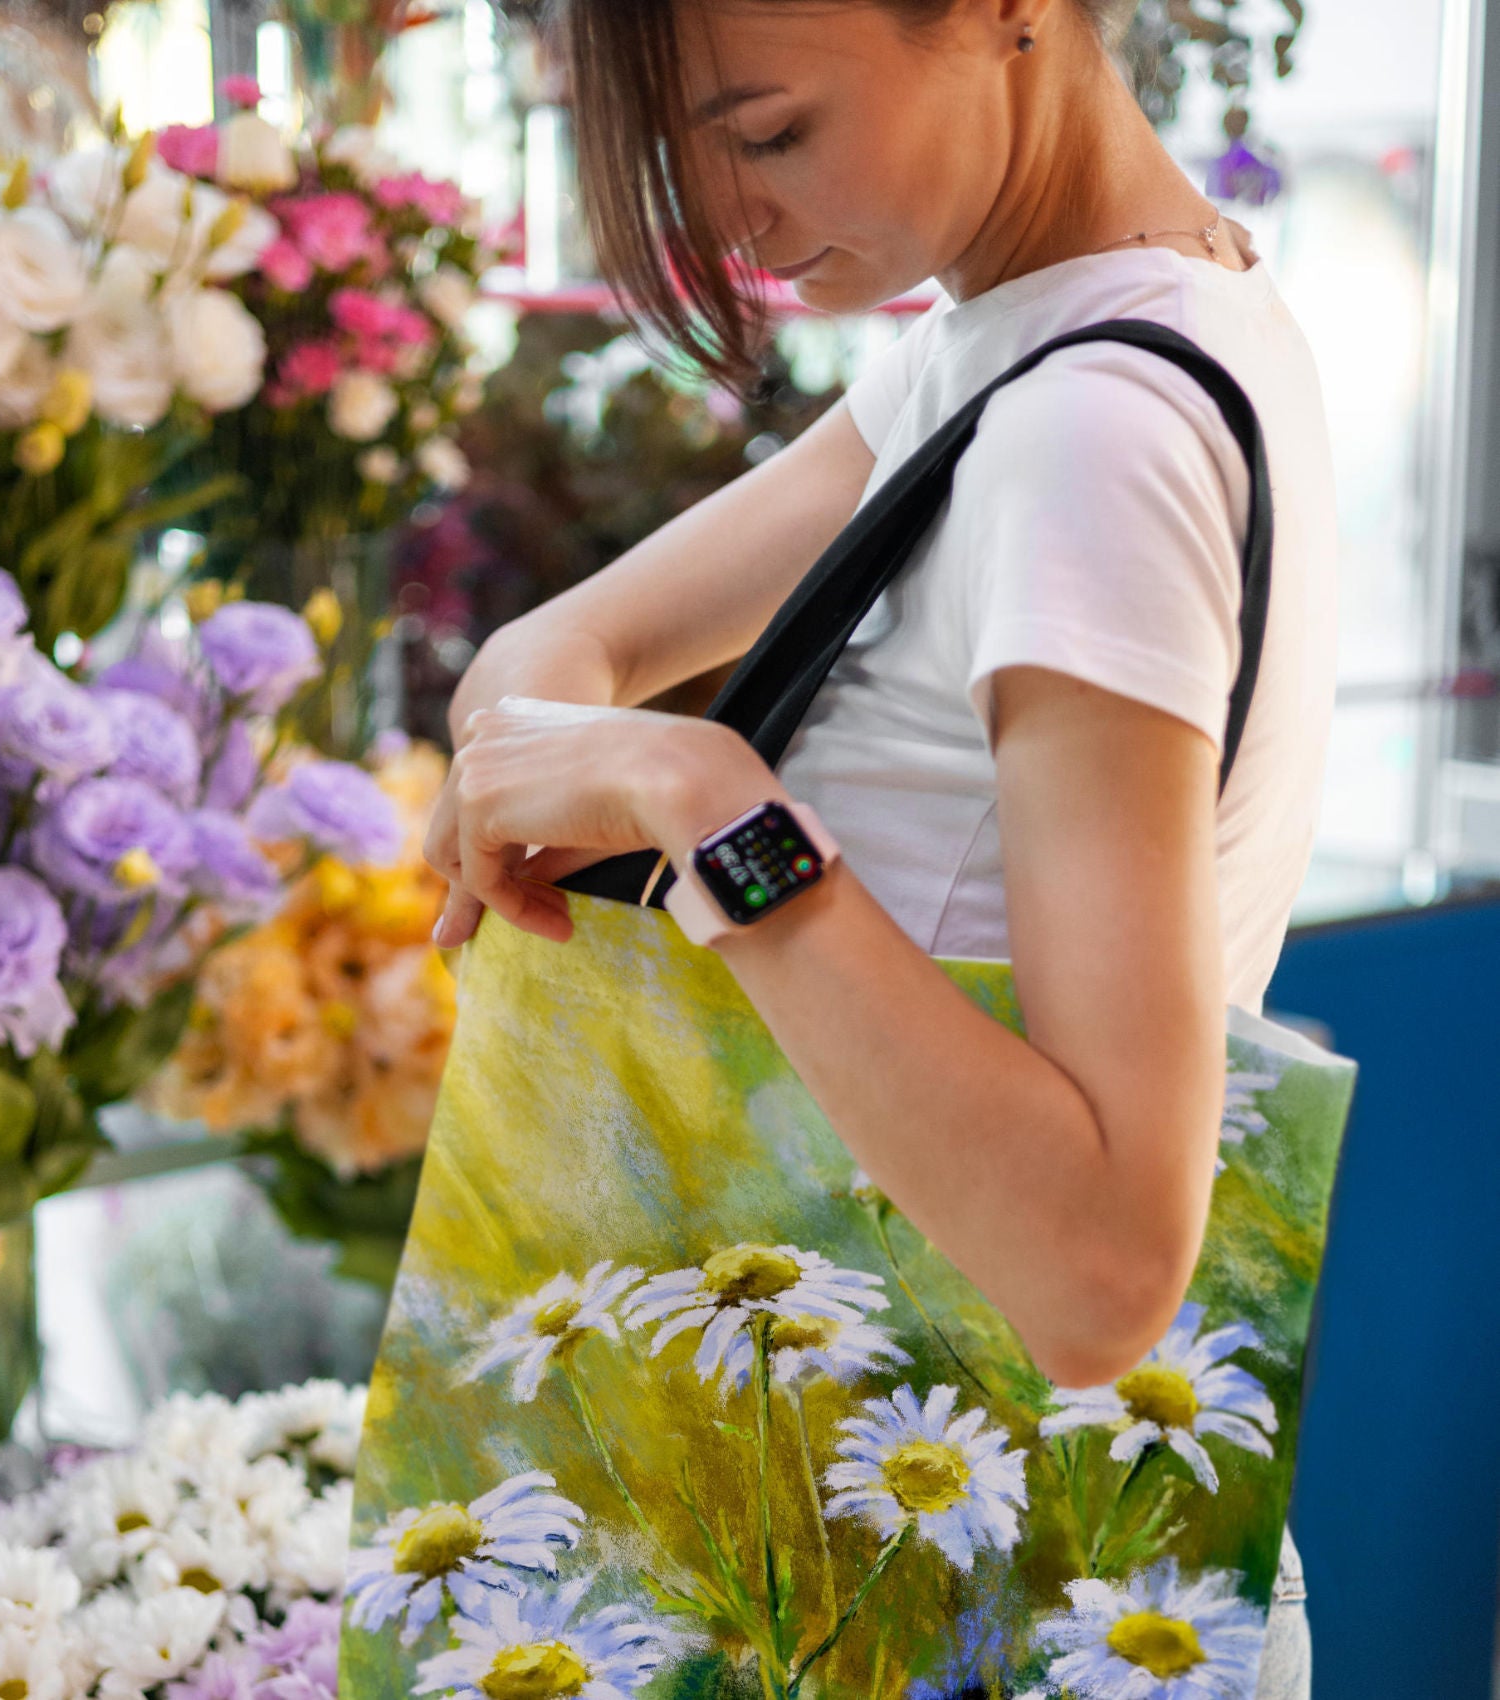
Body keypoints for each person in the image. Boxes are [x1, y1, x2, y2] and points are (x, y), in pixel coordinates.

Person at [421, 2, 1332, 1694]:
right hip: (936, 1545)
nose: (726, 220)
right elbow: (540, 670)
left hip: (986, 1565)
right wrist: (591, 750)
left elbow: (1107, 1268)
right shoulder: (1034, 345)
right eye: (681, 152)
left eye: (766, 135)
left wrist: (706, 814)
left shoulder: (1088, 434)